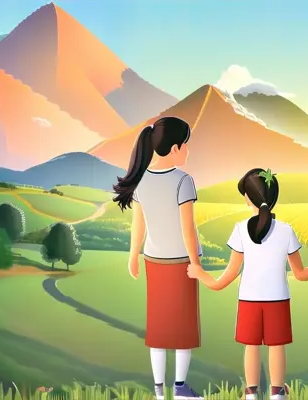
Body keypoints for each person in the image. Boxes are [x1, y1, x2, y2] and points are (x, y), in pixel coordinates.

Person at [187, 168, 308, 400]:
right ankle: (277, 392)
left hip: (249, 299)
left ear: (247, 199)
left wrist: (200, 273)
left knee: (251, 346)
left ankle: (251, 392)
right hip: (278, 299)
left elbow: (227, 277)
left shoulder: (240, 230)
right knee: (276, 346)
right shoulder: (286, 230)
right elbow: (300, 274)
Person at [112, 116, 210, 400]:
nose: (189, 151)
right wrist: (197, 262)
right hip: (181, 263)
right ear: (176, 148)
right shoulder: (184, 180)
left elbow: (138, 224)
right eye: (187, 145)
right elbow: (187, 228)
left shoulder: (141, 180)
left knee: (157, 327)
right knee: (183, 328)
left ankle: (158, 390)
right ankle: (180, 388)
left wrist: (133, 255)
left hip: (153, 261)